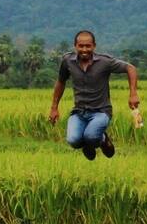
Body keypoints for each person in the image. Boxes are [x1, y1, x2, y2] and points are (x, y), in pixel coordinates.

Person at [47, 30, 141, 160]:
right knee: (73, 140)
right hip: (79, 112)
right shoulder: (67, 61)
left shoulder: (104, 62)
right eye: (81, 46)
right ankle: (90, 143)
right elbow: (61, 82)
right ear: (75, 46)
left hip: (101, 112)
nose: (84, 49)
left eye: (88, 46)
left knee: (91, 136)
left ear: (94, 46)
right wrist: (54, 108)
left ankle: (102, 139)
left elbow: (130, 68)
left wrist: (133, 94)